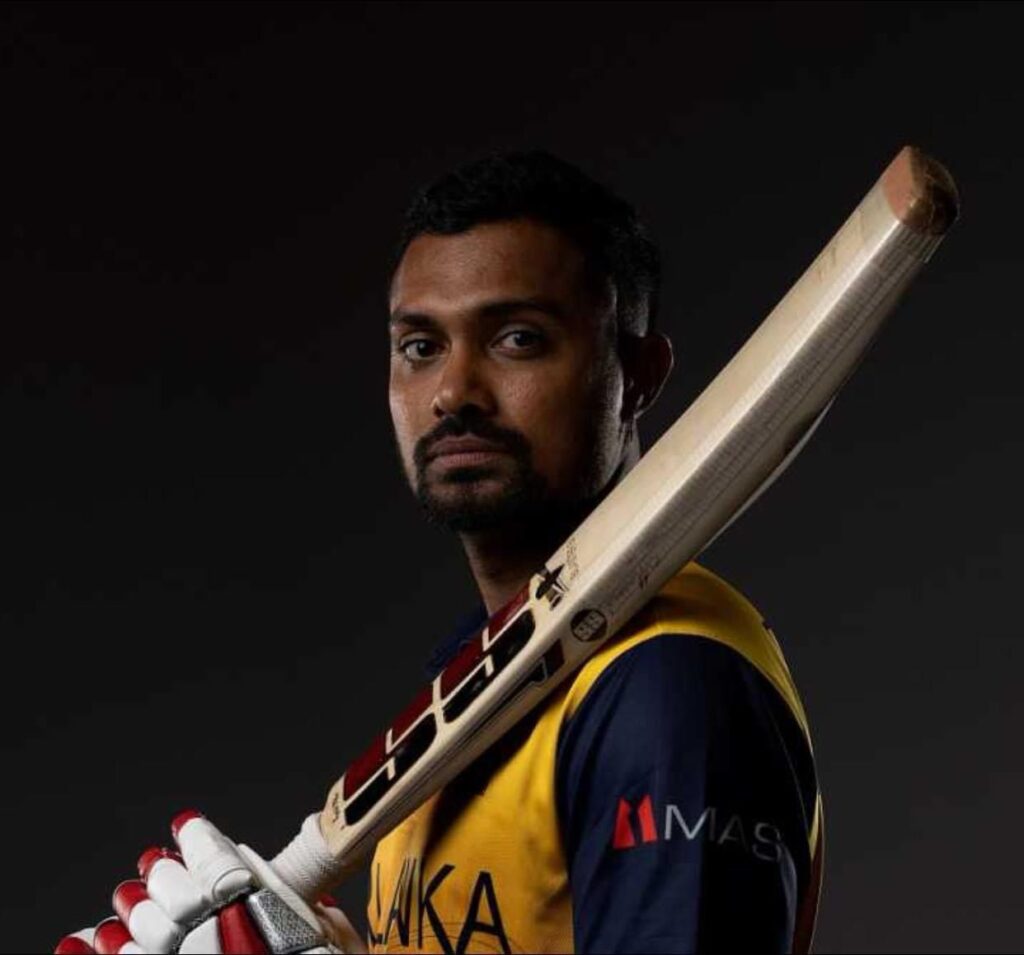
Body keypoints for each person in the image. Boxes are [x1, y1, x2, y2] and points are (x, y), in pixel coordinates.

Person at [57, 152, 823, 955]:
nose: (454, 391)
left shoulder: (667, 685)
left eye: (518, 339)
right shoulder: (467, 685)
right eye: (421, 346)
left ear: (638, 376)